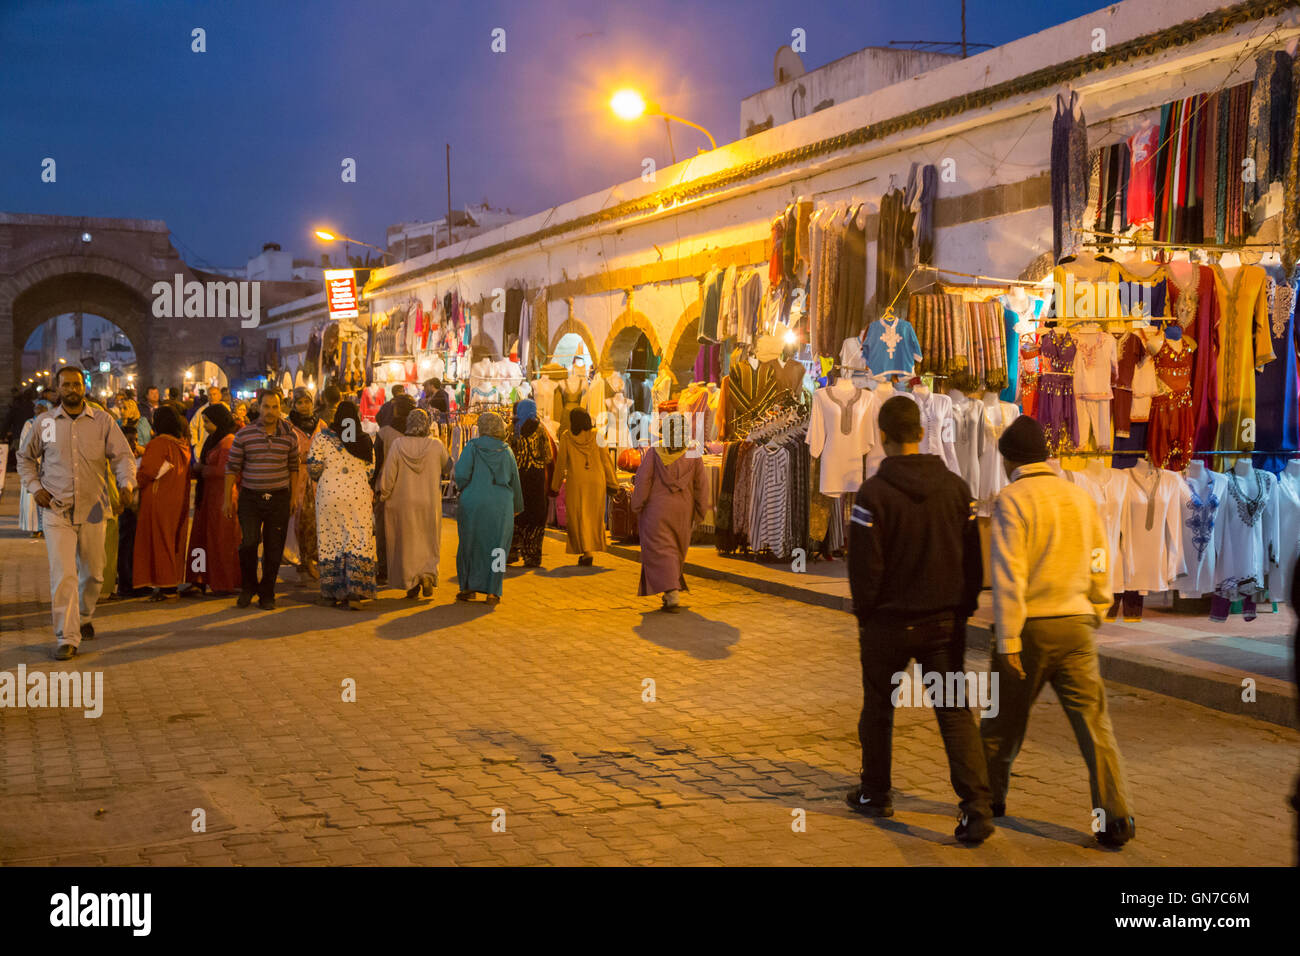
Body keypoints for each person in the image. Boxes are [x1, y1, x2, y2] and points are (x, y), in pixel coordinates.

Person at [981, 414, 1136, 848]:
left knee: (1000, 724)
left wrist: (1008, 640)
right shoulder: (1079, 497)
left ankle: (987, 801)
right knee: (1095, 728)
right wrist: (1099, 603)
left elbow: (1009, 574)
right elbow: (1100, 556)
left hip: (1031, 628)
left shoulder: (1011, 500)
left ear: (1010, 459)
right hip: (1076, 627)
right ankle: (1115, 817)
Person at [845, 396, 994, 844]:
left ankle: (876, 791)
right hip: (943, 624)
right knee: (954, 714)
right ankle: (977, 808)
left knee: (879, 709)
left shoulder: (873, 493)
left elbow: (864, 566)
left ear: (884, 436)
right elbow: (973, 560)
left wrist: (866, 613)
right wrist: (963, 608)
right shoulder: (955, 487)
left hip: (888, 624)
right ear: (921, 432)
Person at [17, 366, 136, 659]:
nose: (72, 389)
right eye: (66, 385)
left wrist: (127, 484)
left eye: (76, 384)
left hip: (94, 509)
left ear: (84, 387)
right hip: (57, 511)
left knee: (94, 575)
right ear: (58, 389)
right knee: (63, 575)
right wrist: (35, 487)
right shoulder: (44, 423)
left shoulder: (102, 421)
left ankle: (83, 616)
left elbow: (122, 456)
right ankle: (67, 637)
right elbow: (25, 459)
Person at [225, 389, 300, 610]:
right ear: (259, 408)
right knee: (248, 543)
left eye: (275, 407)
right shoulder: (244, 435)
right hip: (251, 498)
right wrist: (227, 498)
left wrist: (293, 497)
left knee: (274, 548)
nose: (270, 411)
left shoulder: (289, 435)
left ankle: (267, 592)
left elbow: (293, 468)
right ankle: (249, 587)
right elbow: (232, 468)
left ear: (281, 408)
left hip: (278, 498)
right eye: (266, 406)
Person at [630, 412, 707, 610]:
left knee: (661, 549)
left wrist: (637, 504)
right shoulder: (693, 453)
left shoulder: (655, 452)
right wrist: (700, 511)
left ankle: (671, 592)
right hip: (683, 511)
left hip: (657, 511)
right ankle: (671, 590)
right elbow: (702, 486)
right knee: (675, 549)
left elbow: (643, 481)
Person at [307, 401, 377, 609]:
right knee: (357, 538)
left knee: (332, 540)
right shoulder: (364, 439)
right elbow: (370, 470)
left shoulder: (322, 437)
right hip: (358, 495)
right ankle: (355, 591)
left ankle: (331, 593)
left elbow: (314, 468)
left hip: (330, 495)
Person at [379, 408, 451, 598]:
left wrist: (384, 494)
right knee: (428, 540)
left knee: (408, 543)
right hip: (429, 502)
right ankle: (427, 575)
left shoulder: (397, 444)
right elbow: (448, 466)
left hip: (403, 503)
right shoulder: (436, 445)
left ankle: (412, 582)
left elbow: (388, 477)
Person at [454, 411, 522, 603]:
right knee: (499, 547)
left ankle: (468, 588)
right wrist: (517, 506)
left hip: (473, 503)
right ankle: (494, 591)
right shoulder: (507, 451)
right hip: (501, 505)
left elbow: (461, 474)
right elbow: (514, 481)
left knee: (470, 544)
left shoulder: (472, 447)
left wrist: (467, 488)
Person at [132, 404, 192, 601]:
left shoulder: (160, 443)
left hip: (158, 499)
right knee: (171, 539)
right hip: (175, 497)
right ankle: (169, 583)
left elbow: (148, 471)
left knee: (160, 541)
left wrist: (133, 484)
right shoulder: (181, 444)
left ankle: (167, 587)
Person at [185, 403, 242, 595]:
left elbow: (226, 471)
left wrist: (203, 470)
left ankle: (222, 582)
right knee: (201, 541)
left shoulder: (228, 442)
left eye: (208, 422)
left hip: (222, 498)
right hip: (208, 498)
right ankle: (198, 579)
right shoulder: (214, 439)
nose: (206, 426)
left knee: (220, 542)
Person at [551, 407, 616, 567]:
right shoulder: (598, 434)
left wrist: (555, 486)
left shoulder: (567, 436)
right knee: (593, 515)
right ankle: (590, 550)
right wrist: (613, 482)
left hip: (577, 482)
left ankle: (586, 551)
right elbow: (606, 460)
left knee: (579, 516)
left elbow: (560, 464)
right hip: (597, 480)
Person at [508, 399, 553, 568]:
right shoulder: (541, 430)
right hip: (536, 478)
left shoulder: (511, 429)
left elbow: (506, 452)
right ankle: (532, 555)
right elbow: (548, 456)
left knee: (517, 514)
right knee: (535, 515)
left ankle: (512, 551)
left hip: (517, 477)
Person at [287, 387, 325, 581]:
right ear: (294, 405)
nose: (304, 406)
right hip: (296, 479)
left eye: (307, 402)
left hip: (319, 481)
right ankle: (304, 561)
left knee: (316, 521)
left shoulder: (322, 425)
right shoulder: (287, 426)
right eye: (299, 403)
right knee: (299, 521)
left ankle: (310, 559)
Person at [17, 398, 52, 536]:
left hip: (48, 467)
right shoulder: (29, 424)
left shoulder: (50, 423)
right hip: (32, 465)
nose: (37, 410)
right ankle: (35, 528)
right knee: (33, 498)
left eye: (40, 408)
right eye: (36, 408)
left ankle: (46, 528)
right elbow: (25, 445)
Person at [189, 384, 226, 451]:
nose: (212, 397)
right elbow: (192, 426)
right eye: (210, 395)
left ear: (220, 396)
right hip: (204, 446)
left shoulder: (226, 410)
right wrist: (195, 443)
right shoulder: (201, 411)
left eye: (214, 394)